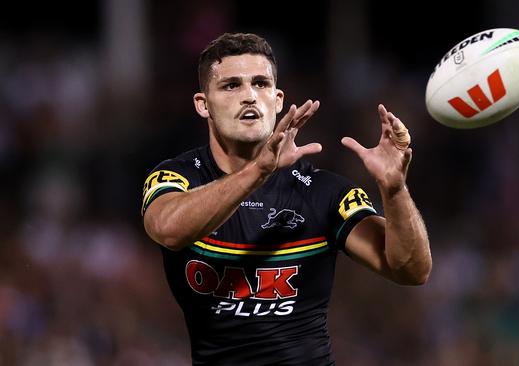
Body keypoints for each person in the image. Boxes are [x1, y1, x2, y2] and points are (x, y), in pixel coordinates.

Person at [141, 32, 431, 365]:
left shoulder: (323, 192)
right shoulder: (178, 177)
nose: (249, 96)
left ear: (278, 100)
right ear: (203, 104)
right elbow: (168, 230)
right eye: (231, 85)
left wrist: (394, 190)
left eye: (261, 84)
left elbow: (413, 271)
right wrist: (258, 171)